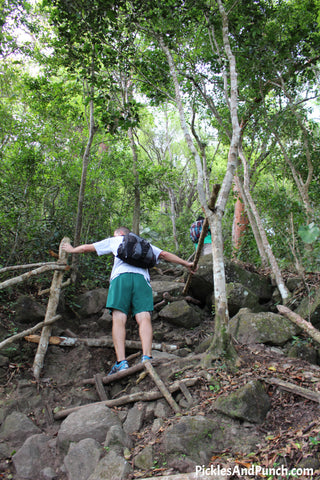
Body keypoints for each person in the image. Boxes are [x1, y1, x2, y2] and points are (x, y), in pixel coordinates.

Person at [62, 227, 195, 375]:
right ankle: (147, 357)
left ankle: (121, 362)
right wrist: (185, 264)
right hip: (142, 280)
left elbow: (88, 248)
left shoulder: (116, 240)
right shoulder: (144, 244)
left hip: (121, 278)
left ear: (119, 233)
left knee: (119, 318)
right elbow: (163, 254)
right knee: (144, 317)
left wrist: (72, 250)